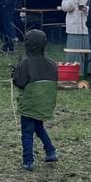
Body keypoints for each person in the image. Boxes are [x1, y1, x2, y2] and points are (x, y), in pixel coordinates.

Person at [12, 29, 59, 171]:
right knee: (38, 127)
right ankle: (50, 152)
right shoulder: (52, 64)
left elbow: (20, 83)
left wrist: (15, 74)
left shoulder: (25, 64)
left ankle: (28, 160)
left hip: (30, 106)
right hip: (45, 105)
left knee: (27, 132)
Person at [60, 0, 91, 75]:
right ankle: (72, 70)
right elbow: (64, 7)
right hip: (73, 27)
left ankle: (87, 71)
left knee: (87, 50)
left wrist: (86, 9)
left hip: (86, 28)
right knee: (73, 51)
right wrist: (74, 0)